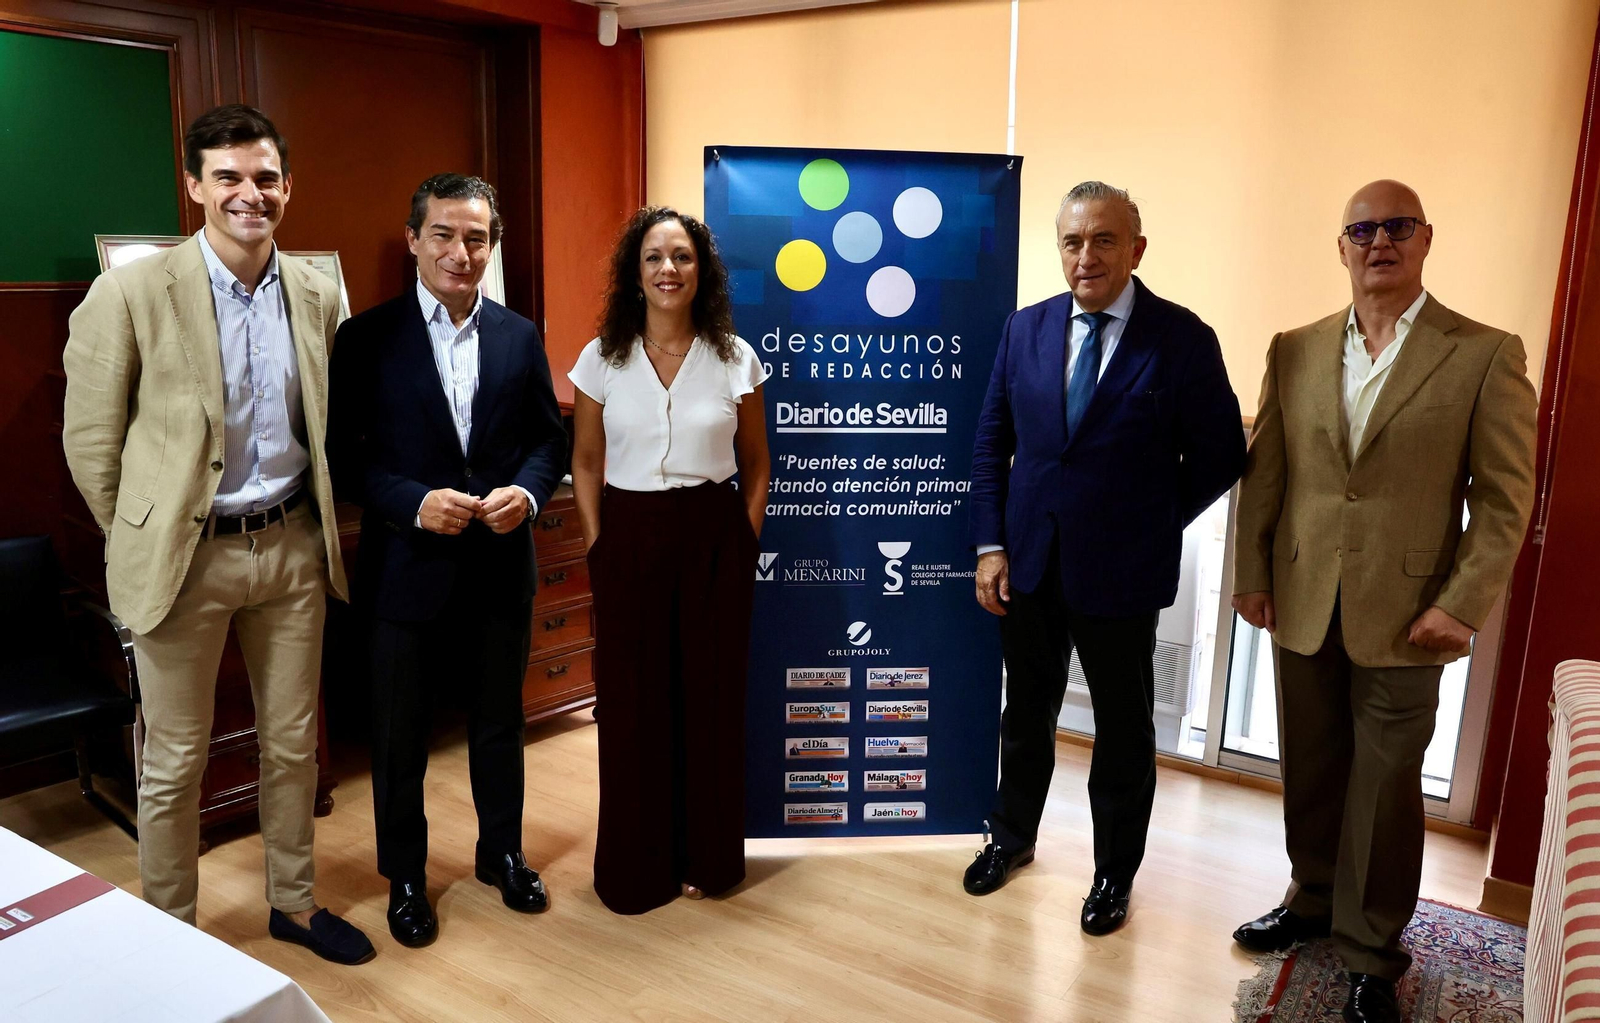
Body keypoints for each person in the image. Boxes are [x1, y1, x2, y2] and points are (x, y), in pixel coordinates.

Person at [61, 105, 373, 964]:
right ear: (194, 186)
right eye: (228, 176)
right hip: (185, 560)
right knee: (172, 763)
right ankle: (172, 939)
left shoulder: (316, 291)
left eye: (266, 176)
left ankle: (295, 905)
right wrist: (145, 535)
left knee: (293, 745)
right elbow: (90, 442)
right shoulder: (128, 292)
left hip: (292, 549)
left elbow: (329, 422)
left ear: (287, 186)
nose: (250, 193)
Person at [1229, 180, 1537, 1023]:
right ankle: (1312, 898)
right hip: (1300, 596)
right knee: (1314, 766)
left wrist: (1465, 604)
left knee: (1387, 783)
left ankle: (1370, 949)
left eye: (1396, 226)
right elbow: (1268, 474)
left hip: (1411, 612)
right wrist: (1251, 574)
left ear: (1426, 238)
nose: (1379, 242)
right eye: (1361, 229)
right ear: (1341, 248)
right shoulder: (1294, 347)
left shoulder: (1482, 351)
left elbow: (1507, 497)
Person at [965, 181, 1245, 935]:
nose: (1085, 256)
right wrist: (991, 544)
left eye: (1103, 240)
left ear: (1136, 249)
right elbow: (992, 443)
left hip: (1122, 570)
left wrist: (1152, 520)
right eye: (1072, 241)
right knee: (1026, 710)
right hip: (1028, 562)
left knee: (1123, 731)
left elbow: (1221, 454)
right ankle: (1010, 836)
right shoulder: (1024, 329)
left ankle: (1114, 874)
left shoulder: (1183, 338)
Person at [327, 174, 566, 947]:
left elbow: (546, 442)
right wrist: (411, 501)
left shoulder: (518, 334)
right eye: (444, 235)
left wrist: (527, 496)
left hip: (500, 565)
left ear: (491, 246)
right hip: (406, 568)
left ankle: (501, 853)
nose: (461, 253)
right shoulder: (364, 337)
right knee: (398, 736)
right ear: (413, 239)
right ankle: (404, 876)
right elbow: (343, 459)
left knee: (500, 723)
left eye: (476, 238)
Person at [569, 205, 770, 915]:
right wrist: (598, 543)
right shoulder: (602, 359)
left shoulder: (734, 358)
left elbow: (757, 465)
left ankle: (707, 858)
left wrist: (741, 541)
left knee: (710, 697)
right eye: (654, 257)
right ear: (634, 272)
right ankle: (637, 865)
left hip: (713, 535)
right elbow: (586, 461)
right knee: (631, 703)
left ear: (701, 271)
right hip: (627, 534)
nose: (667, 269)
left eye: (681, 257)